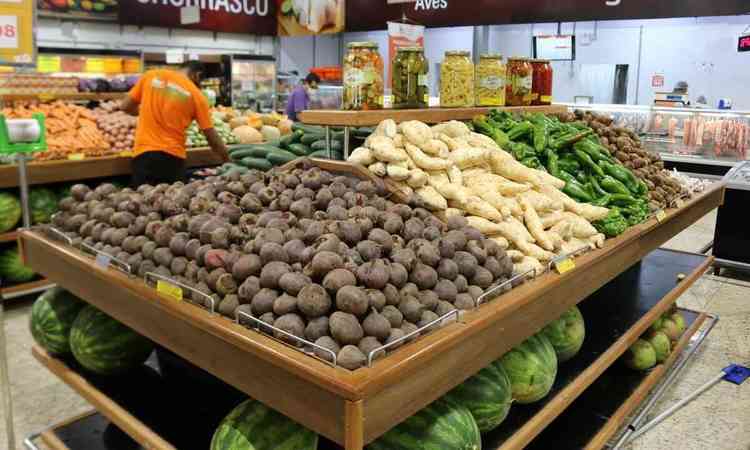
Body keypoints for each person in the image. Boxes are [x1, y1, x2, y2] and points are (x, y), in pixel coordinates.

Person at [121, 61, 229, 187]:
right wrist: (226, 158)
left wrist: (147, 111)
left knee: (143, 201)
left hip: (143, 154)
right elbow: (211, 136)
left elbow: (125, 106)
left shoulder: (151, 76)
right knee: (172, 202)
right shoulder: (197, 96)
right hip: (173, 158)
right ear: (197, 75)